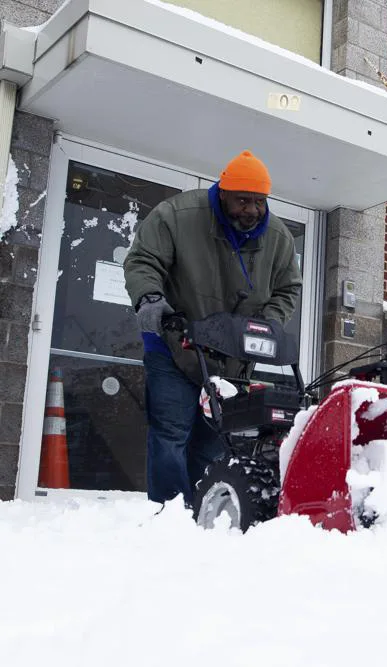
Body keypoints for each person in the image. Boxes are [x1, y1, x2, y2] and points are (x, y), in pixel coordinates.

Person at [124, 150, 302, 507]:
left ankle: (200, 510)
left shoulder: (278, 238)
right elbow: (144, 259)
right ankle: (169, 510)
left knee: (212, 439)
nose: (251, 210)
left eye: (258, 202)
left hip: (230, 360)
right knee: (171, 432)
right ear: (223, 192)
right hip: (176, 345)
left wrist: (266, 324)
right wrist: (150, 298)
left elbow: (289, 288)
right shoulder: (178, 215)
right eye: (242, 201)